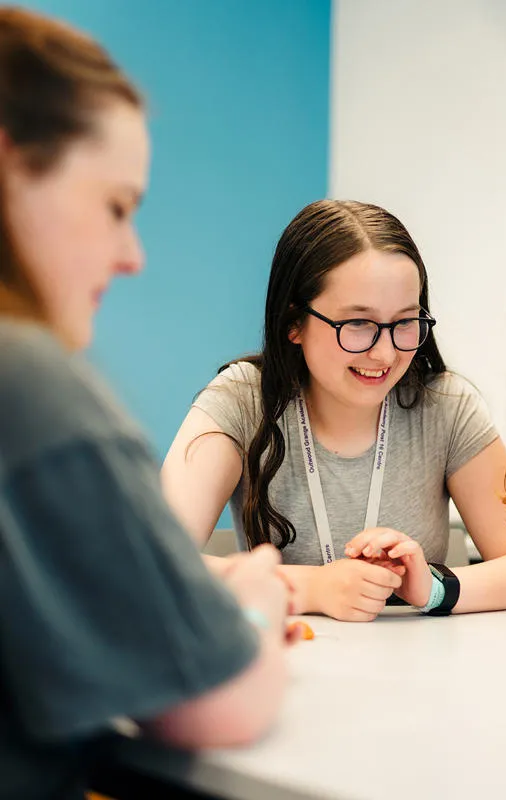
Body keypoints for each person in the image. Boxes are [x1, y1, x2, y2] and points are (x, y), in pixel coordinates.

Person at [0, 8, 291, 797]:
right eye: (116, 207)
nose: (133, 256)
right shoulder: (29, 384)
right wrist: (259, 600)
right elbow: (215, 703)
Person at [162, 199, 506, 622]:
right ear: (293, 323)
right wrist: (313, 588)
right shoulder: (243, 400)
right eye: (357, 324)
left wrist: (433, 586)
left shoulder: (444, 405)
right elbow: (147, 560)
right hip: (287, 666)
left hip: (413, 672)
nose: (385, 352)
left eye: (405, 322)